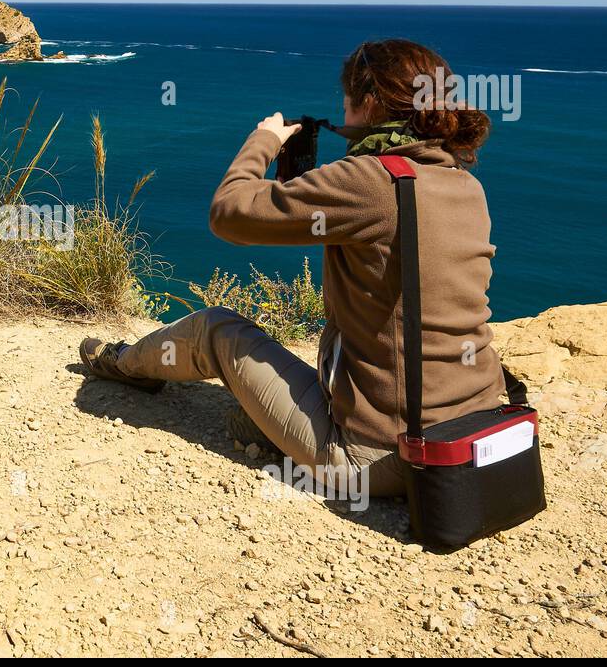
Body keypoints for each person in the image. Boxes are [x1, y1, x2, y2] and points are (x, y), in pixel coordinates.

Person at [80, 39, 508, 498]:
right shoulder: (465, 186)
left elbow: (229, 212)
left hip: (379, 458)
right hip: (473, 436)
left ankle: (125, 365)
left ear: (366, 103)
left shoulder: (370, 180)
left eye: (345, 101)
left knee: (216, 328)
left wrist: (263, 141)